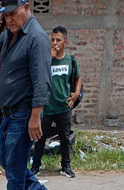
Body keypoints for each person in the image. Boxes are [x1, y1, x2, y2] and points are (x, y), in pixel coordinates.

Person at [0, 0, 53, 190]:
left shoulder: (36, 38)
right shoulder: (10, 34)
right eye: (5, 15)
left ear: (26, 7)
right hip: (9, 113)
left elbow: (42, 81)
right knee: (5, 160)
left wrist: (35, 117)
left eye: (13, 14)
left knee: (13, 164)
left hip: (24, 114)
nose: (9, 19)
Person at [30, 25, 81, 179]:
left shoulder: (70, 60)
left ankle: (66, 166)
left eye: (58, 40)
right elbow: (37, 75)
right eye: (52, 39)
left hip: (63, 107)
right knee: (40, 138)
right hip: (46, 107)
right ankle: (35, 167)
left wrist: (76, 94)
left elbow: (78, 77)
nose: (54, 43)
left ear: (65, 42)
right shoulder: (45, 59)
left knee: (65, 138)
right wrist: (48, 59)